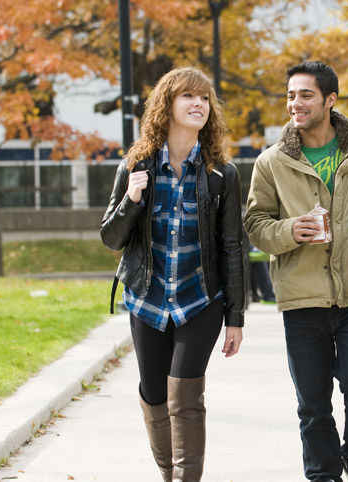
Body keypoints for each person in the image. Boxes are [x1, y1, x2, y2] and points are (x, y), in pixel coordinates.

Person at [243, 60, 348, 482]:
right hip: (301, 297)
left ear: (330, 99)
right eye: (290, 95)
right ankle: (322, 474)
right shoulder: (270, 163)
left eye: (305, 95)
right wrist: (290, 230)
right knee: (313, 402)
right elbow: (255, 224)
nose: (295, 104)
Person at [100, 66, 245, 482]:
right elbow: (111, 239)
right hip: (147, 298)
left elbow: (232, 247)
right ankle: (168, 475)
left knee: (185, 396)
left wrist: (235, 317)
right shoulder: (136, 165)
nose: (198, 104)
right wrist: (131, 198)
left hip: (200, 299)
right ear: (168, 105)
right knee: (154, 394)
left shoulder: (222, 174)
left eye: (204, 98)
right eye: (188, 96)